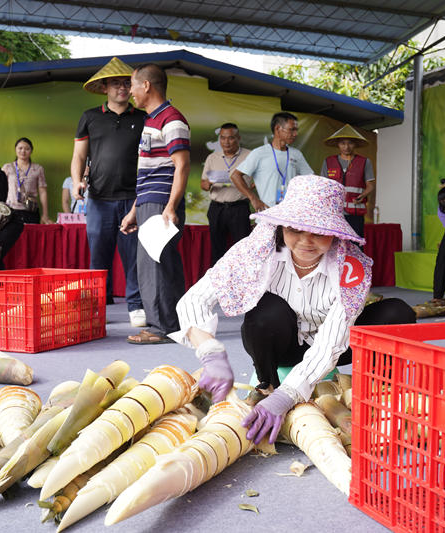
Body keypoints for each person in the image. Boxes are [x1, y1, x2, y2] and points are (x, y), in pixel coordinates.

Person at [170, 175, 416, 444]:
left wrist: (289, 396)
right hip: (282, 345)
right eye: (295, 229)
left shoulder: (351, 269)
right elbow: (193, 300)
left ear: (334, 234)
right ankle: (267, 385)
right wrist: (210, 352)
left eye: (319, 233)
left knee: (398, 313)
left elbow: (331, 344)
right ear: (281, 226)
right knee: (265, 309)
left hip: (335, 347)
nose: (305, 241)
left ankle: (378, 394)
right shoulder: (257, 251)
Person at [71, 57, 147, 328]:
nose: (122, 89)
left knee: (133, 256)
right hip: (99, 199)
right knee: (98, 257)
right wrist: (77, 181)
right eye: (116, 84)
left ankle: (136, 305)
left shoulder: (143, 118)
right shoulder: (90, 117)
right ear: (105, 87)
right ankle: (95, 306)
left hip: (131, 199)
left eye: (127, 84)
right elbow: (79, 156)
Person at [121, 63, 190, 344]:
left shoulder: (172, 119)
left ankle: (163, 328)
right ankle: (167, 324)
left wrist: (171, 206)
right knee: (153, 264)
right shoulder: (152, 120)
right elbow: (151, 171)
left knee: (157, 265)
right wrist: (135, 210)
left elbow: (182, 165)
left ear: (146, 86)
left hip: (162, 202)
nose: (130, 91)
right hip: (150, 201)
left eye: (133, 85)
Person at [230, 112, 313, 211]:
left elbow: (310, 179)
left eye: (296, 130)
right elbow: (235, 175)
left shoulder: (296, 154)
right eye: (291, 130)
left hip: (291, 214)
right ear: (278, 129)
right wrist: (253, 198)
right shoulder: (259, 153)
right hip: (267, 213)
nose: (295, 134)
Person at [201, 123, 252, 264]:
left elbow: (259, 179)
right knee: (217, 249)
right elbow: (203, 184)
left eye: (230, 138)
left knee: (242, 249)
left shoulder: (249, 156)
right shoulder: (213, 158)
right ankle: (217, 282)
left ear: (238, 138)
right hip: (217, 208)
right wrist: (211, 182)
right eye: (222, 138)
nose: (226, 142)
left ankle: (242, 281)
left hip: (239, 208)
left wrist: (248, 187)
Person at [320, 124, 375, 238]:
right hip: (334, 211)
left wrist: (362, 195)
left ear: (355, 144)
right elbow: (323, 186)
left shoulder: (365, 162)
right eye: (342, 143)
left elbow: (370, 185)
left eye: (350, 143)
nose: (346, 147)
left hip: (355, 211)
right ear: (338, 144)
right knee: (335, 243)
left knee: (355, 242)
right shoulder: (328, 161)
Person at [2, 137, 51, 224]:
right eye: (20, 148)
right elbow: (0, 188)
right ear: (15, 149)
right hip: (11, 210)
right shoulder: (7, 167)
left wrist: (45, 214)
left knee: (32, 236)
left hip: (30, 210)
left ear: (31, 151)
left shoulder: (38, 169)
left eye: (27, 149)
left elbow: (43, 192)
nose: (23, 151)